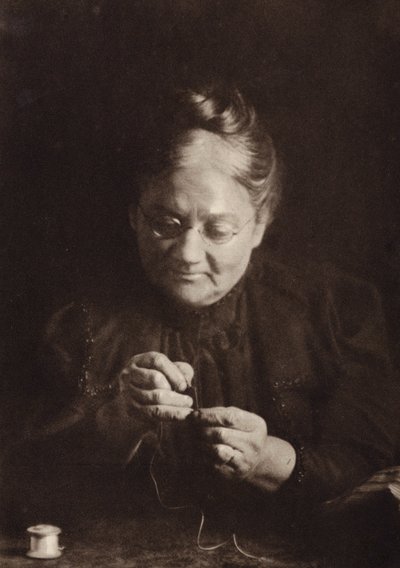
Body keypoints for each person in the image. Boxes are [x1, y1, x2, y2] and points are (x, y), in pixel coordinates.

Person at [3, 83, 400, 563]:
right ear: (134, 215)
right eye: (165, 224)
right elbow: (19, 483)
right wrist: (119, 418)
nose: (188, 254)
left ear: (260, 223)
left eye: (217, 229)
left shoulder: (336, 311)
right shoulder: (77, 321)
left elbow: (373, 463)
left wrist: (269, 459)